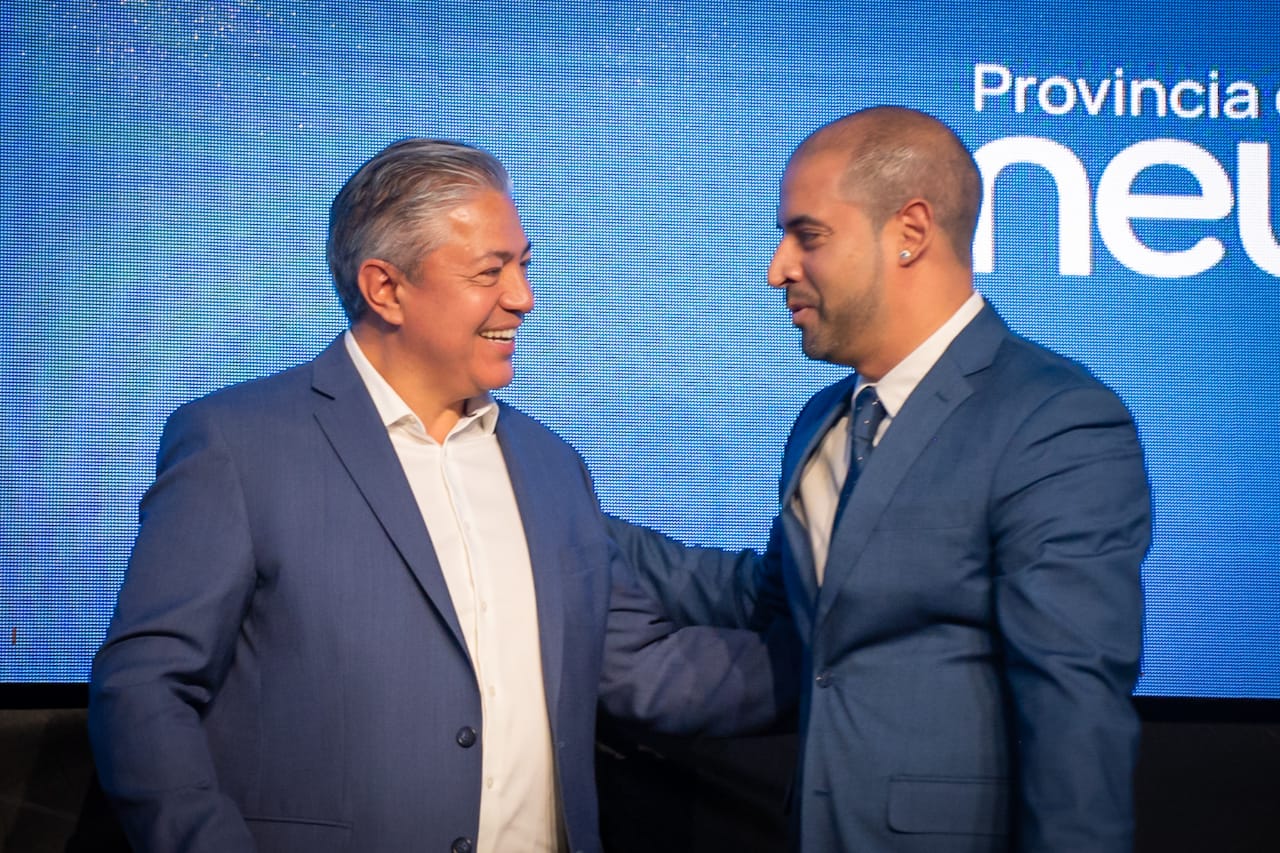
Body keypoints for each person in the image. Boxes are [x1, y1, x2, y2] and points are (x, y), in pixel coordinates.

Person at [88, 138, 792, 853]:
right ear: (385, 288)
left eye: (523, 265)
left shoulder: (550, 466)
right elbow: (145, 687)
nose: (523, 298)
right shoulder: (239, 443)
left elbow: (642, 665)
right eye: (491, 271)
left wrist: (837, 665)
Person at [610, 106, 1150, 852]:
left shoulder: (1053, 419)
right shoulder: (824, 419)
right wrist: (562, 515)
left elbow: (1073, 707)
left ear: (910, 232)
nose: (778, 268)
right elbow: (774, 599)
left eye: (808, 236)